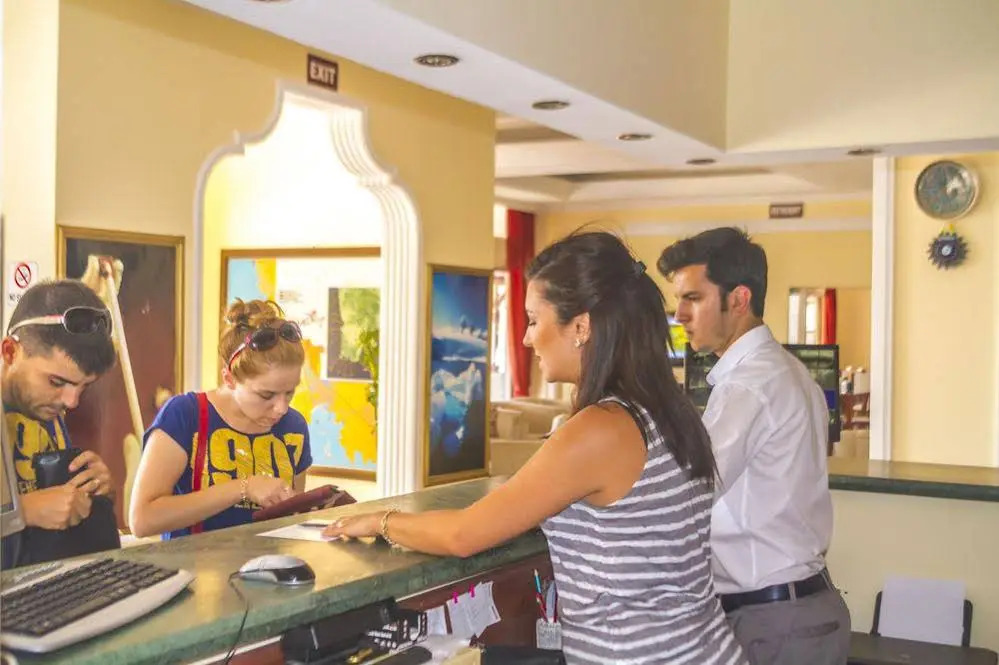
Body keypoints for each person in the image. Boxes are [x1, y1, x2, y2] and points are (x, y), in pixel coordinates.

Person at [325, 231, 746, 665]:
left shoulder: (600, 429)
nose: (526, 339)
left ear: (580, 327)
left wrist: (381, 520)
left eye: (532, 320)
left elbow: (463, 535)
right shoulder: (668, 408)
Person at [658, 227, 850, 664]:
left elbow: (689, 491)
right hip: (793, 611)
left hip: (775, 619)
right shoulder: (786, 370)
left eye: (693, 298)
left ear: (739, 299)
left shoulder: (750, 385)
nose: (680, 315)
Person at [129, 299, 312, 539]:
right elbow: (142, 520)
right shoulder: (185, 415)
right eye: (266, 395)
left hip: (269, 561)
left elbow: (292, 518)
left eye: (289, 392)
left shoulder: (294, 427)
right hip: (193, 562)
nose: (281, 408)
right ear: (229, 379)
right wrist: (244, 488)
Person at [1, 280, 120, 568]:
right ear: (10, 352)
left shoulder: (47, 409)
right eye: (56, 382)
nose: (71, 401)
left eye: (83, 386)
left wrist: (98, 489)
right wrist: (24, 511)